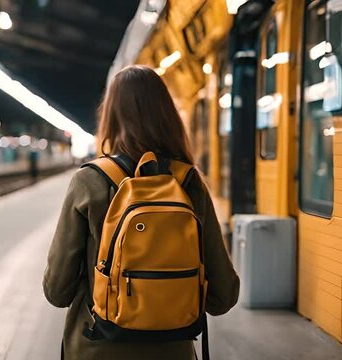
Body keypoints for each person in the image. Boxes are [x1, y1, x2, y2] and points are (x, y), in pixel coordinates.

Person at [43, 66, 239, 360]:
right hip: (172, 351)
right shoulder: (188, 183)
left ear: (110, 117)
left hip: (97, 346)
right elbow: (223, 295)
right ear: (167, 116)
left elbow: (57, 291)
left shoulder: (89, 180)